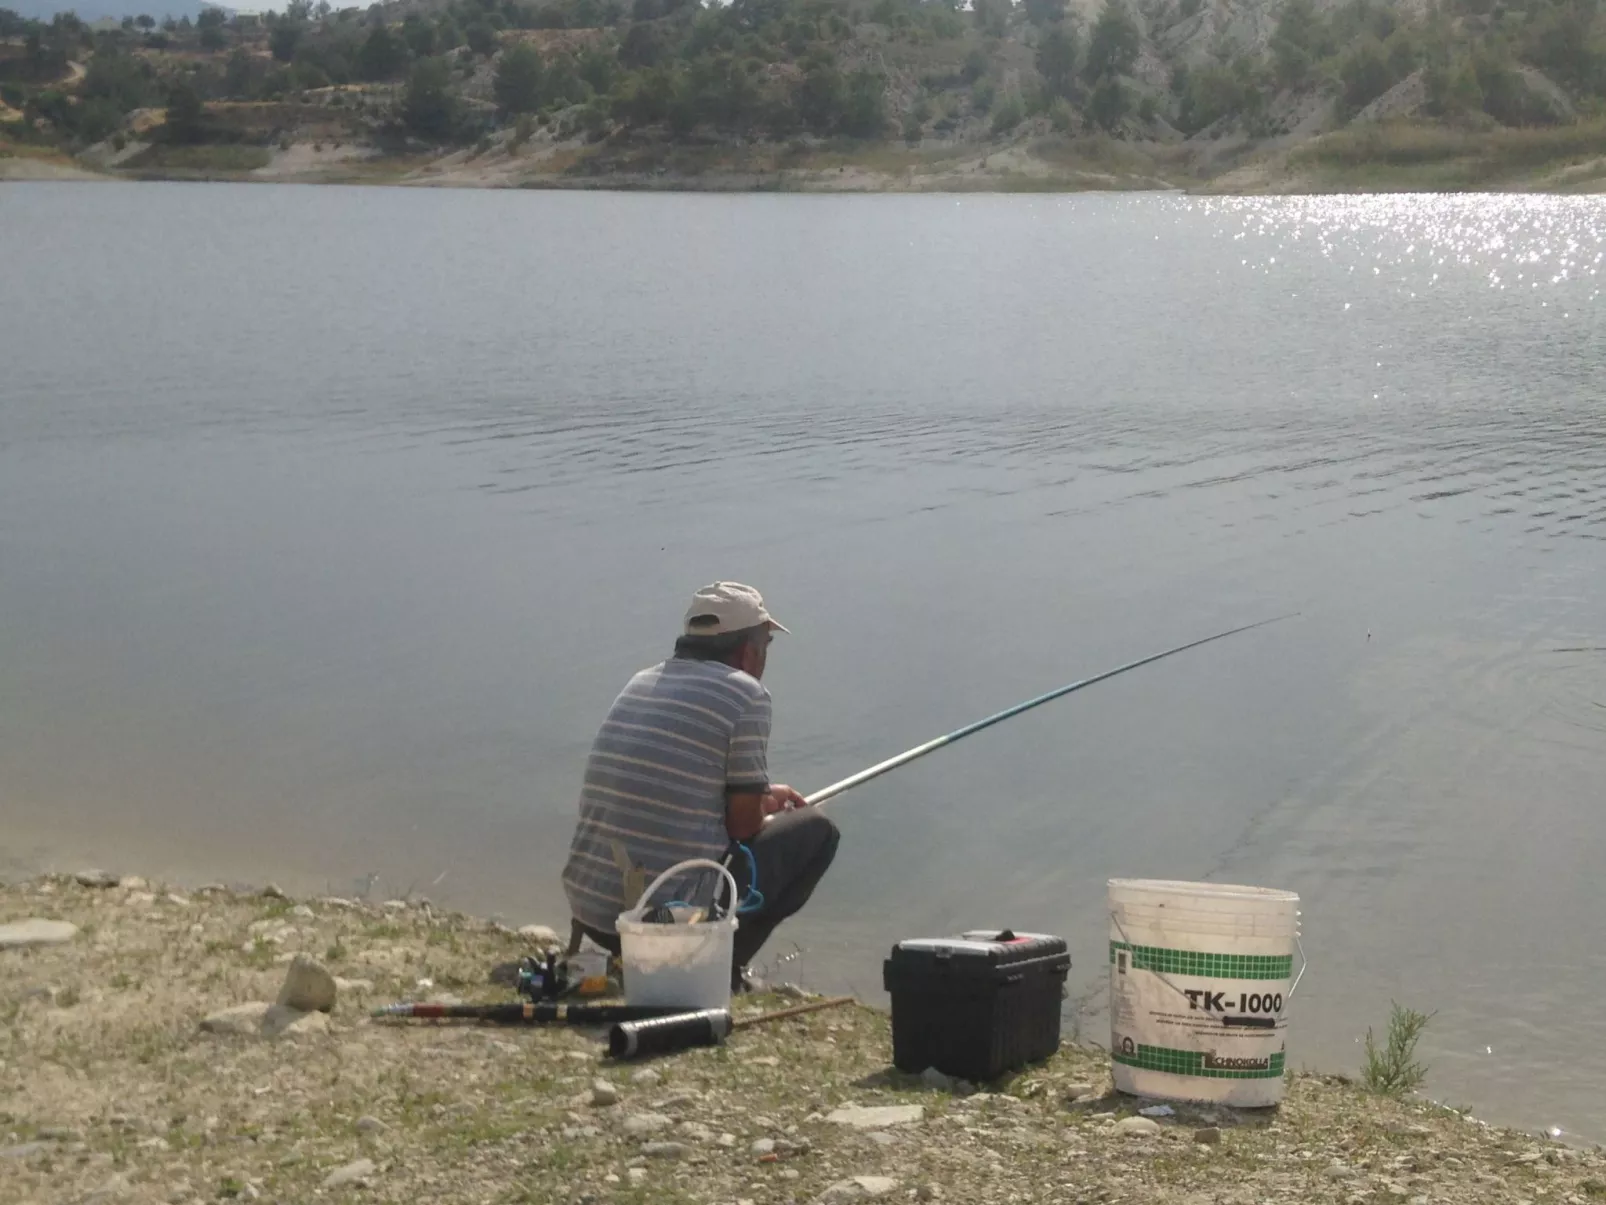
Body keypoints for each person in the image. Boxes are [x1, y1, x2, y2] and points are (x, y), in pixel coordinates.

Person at [560, 581, 840, 991]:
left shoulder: (641, 680)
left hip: (592, 911)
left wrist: (761, 796)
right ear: (749, 650)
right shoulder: (748, 695)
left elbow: (681, 788)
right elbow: (742, 827)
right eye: (766, 646)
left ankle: (697, 956)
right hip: (654, 927)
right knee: (818, 832)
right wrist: (761, 806)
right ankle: (718, 966)